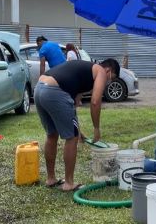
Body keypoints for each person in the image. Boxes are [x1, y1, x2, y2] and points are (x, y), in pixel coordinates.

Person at [34, 58, 120, 192]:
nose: (108, 82)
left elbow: (72, 103)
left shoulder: (84, 71)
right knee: (71, 138)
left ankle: (51, 179)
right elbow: (95, 102)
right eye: (111, 78)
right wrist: (96, 128)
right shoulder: (101, 71)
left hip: (39, 88)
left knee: (52, 135)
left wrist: (78, 129)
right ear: (109, 70)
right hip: (54, 92)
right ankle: (69, 183)